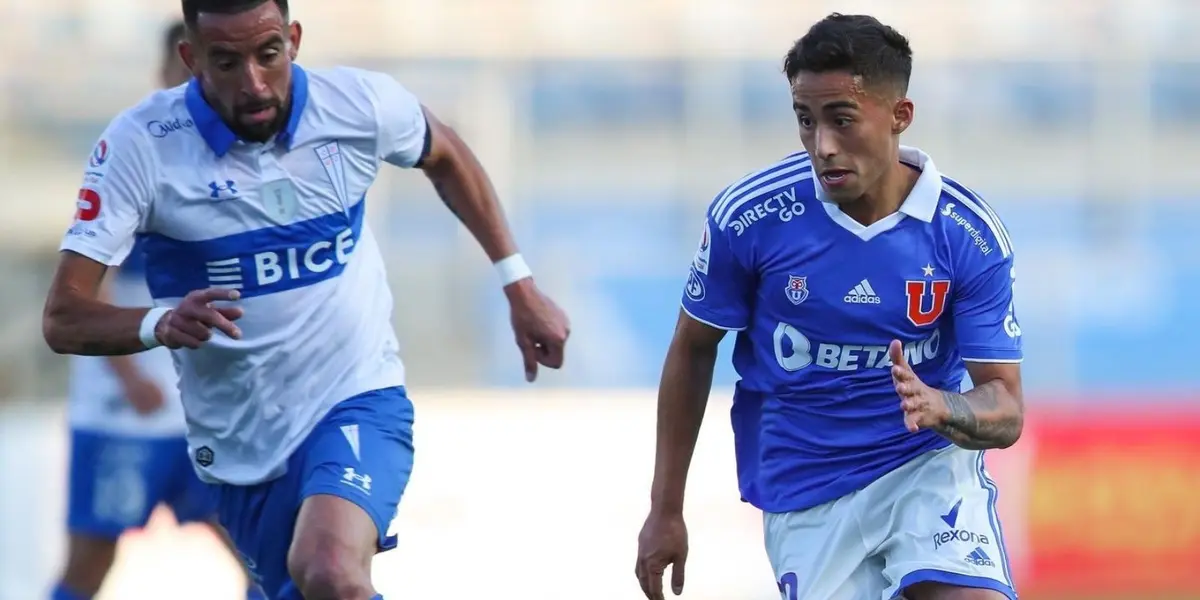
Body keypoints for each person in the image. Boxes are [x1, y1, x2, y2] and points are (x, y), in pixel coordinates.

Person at [42, 1, 570, 599]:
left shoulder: (357, 104)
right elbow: (63, 316)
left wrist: (517, 281)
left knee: (329, 568)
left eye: (269, 54)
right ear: (191, 60)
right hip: (241, 442)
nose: (255, 83)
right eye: (227, 62)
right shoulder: (140, 147)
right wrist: (160, 322)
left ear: (293, 39)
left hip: (356, 397)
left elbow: (442, 150)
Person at [635, 13, 1023, 600]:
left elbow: (1006, 408)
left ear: (899, 116)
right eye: (805, 120)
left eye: (842, 120)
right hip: (806, 488)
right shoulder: (751, 218)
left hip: (923, 468)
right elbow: (693, 348)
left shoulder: (966, 235)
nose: (823, 145)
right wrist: (666, 509)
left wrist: (942, 405)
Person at [49, 20, 267, 600]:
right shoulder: (135, 154)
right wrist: (130, 375)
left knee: (263, 561)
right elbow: (82, 290)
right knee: (88, 568)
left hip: (208, 411)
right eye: (194, 69)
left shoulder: (239, 163)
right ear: (172, 67)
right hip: (126, 415)